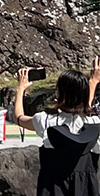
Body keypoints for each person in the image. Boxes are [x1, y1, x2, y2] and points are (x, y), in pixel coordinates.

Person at [15, 59, 100, 196]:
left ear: (58, 93)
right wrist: (93, 81)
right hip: (85, 186)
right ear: (84, 96)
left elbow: (19, 118)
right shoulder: (94, 123)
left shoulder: (46, 120)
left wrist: (20, 88)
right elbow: (85, 110)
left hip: (53, 187)